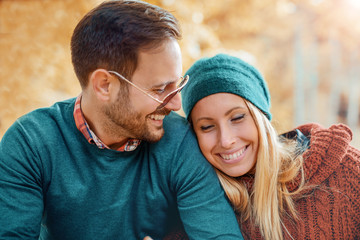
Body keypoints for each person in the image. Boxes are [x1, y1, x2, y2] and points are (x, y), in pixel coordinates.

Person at [0, 2, 244, 239]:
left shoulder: (180, 143)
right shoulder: (30, 143)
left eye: (177, 85)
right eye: (160, 89)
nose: (176, 104)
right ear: (104, 85)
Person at [167, 53, 360, 240]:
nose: (226, 141)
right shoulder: (195, 202)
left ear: (261, 119)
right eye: (207, 127)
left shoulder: (348, 172)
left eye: (237, 118)